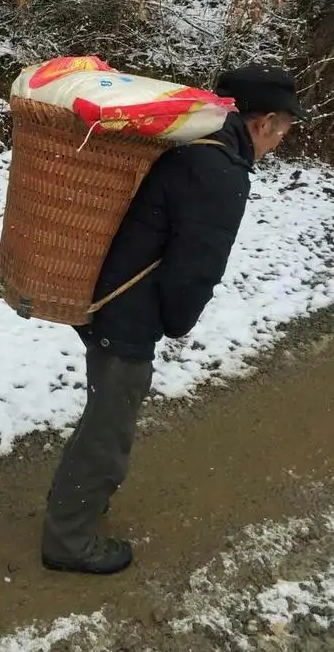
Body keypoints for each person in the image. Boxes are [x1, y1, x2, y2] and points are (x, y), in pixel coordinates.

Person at [42, 64, 306, 575]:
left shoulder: (197, 145)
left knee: (104, 414)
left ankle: (72, 503)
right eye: (285, 128)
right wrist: (177, 323)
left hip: (107, 296)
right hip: (126, 312)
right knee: (109, 430)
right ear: (264, 121)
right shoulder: (219, 171)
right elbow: (195, 270)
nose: (282, 139)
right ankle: (69, 541)